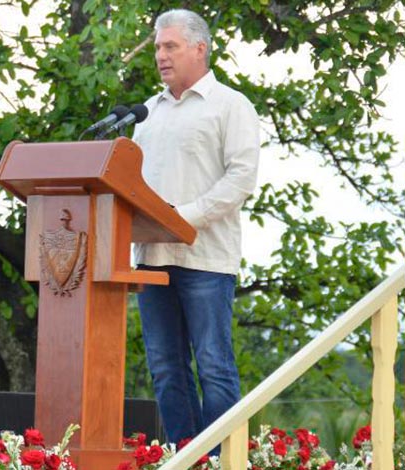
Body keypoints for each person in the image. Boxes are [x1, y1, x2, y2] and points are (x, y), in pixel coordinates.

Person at [131, 8, 260, 450]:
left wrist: (181, 217)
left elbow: (241, 179)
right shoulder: (147, 112)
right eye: (157, 48)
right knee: (166, 367)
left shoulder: (232, 105)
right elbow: (131, 183)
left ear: (200, 48)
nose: (161, 56)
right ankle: (185, 456)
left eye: (171, 46)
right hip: (151, 258)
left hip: (206, 257)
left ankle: (224, 459)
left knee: (213, 365)